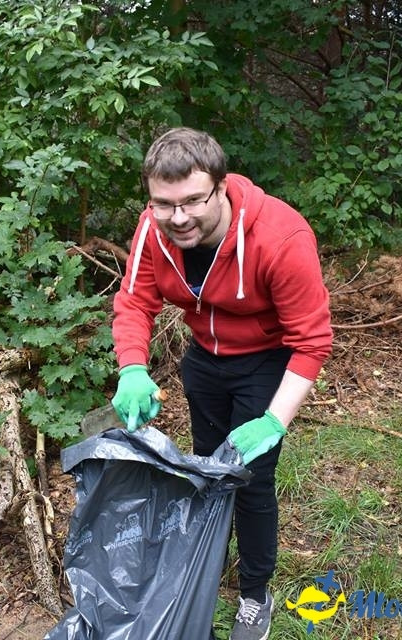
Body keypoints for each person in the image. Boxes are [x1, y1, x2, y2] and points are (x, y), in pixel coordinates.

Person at [110, 127, 333, 640]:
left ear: (221, 186)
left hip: (266, 361)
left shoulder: (281, 237)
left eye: (192, 200)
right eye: (164, 204)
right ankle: (206, 573)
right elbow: (135, 303)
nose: (179, 217)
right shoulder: (154, 229)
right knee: (208, 474)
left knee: (250, 481)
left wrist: (275, 420)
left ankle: (255, 592)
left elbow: (312, 342)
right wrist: (133, 368)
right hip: (205, 360)